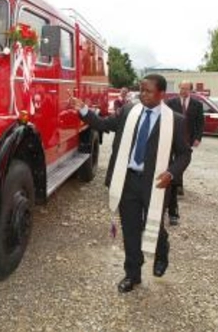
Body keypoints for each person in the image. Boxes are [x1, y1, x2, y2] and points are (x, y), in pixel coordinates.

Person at [69, 74, 191, 293]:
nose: (142, 94)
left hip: (155, 183)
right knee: (131, 228)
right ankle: (132, 274)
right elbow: (104, 124)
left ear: (162, 94)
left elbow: (184, 154)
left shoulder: (176, 121)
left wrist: (171, 174)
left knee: (153, 225)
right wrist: (84, 110)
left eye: (148, 91)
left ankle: (161, 252)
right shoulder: (129, 112)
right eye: (141, 90)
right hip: (127, 180)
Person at [164, 81, 204, 225]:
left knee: (180, 164)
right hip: (170, 139)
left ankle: (177, 183)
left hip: (186, 140)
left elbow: (200, 122)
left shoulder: (197, 105)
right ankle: (176, 185)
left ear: (191, 90)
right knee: (171, 165)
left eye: (186, 89)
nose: (183, 91)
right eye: (181, 88)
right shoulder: (170, 102)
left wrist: (198, 138)